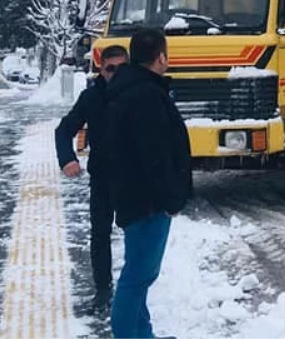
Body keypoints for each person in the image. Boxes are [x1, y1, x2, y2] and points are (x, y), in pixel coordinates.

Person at [105, 27, 192, 339]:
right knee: (137, 276)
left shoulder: (133, 88)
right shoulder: (146, 96)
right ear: (161, 57)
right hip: (146, 201)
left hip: (134, 196)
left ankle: (143, 334)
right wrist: (171, 199)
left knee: (140, 274)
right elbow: (154, 155)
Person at [54, 43, 129, 308]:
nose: (116, 74)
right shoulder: (91, 98)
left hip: (134, 178)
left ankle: (133, 289)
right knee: (99, 234)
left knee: (135, 232)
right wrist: (67, 159)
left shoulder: (139, 94)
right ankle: (103, 289)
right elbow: (64, 130)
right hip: (103, 176)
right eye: (111, 68)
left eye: (123, 68)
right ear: (101, 69)